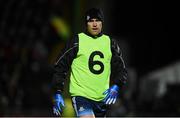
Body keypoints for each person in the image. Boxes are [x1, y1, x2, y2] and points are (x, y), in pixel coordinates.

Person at [51, 8, 128, 117]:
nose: (95, 24)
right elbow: (60, 65)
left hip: (102, 99)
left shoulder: (110, 43)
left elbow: (121, 68)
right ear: (86, 24)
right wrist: (58, 92)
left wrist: (117, 85)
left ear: (102, 23)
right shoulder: (77, 41)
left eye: (98, 20)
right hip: (81, 96)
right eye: (91, 21)